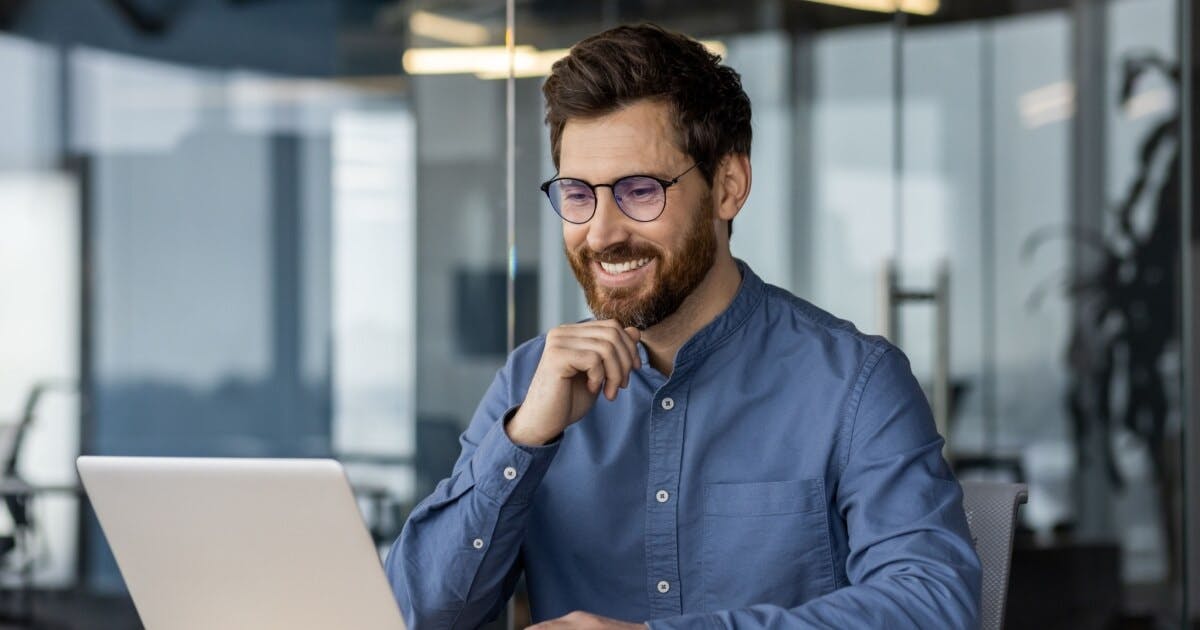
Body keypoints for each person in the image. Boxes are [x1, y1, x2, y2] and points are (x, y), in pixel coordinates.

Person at [385, 23, 981, 629]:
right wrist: (522, 441)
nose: (601, 233)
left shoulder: (854, 383)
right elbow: (417, 616)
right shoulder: (530, 384)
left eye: (640, 191)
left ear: (728, 187)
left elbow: (930, 605)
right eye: (577, 194)